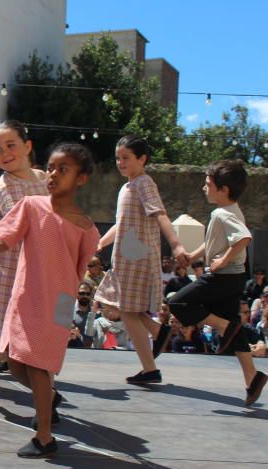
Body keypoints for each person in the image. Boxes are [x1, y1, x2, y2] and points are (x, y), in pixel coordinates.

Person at [0, 142, 100, 457]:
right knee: (17, 366)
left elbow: (79, 268)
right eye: (52, 167)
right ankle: (47, 398)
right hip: (25, 298)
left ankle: (44, 436)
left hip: (57, 304)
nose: (54, 174)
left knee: (40, 367)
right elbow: (5, 238)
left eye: (64, 169)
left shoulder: (88, 228)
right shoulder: (31, 205)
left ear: (81, 178)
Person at [158, 160, 266, 407]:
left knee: (177, 301)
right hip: (234, 278)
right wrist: (193, 257)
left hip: (222, 276)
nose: (204, 188)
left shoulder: (221, 213)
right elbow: (215, 241)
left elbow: (244, 238)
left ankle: (222, 326)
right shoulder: (231, 211)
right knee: (235, 330)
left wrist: (220, 262)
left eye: (208, 184)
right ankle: (253, 378)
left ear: (224, 189)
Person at [93, 135, 189, 384]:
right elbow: (121, 224)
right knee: (128, 312)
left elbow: (160, 214)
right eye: (118, 158)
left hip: (136, 259)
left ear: (142, 159)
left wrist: (176, 244)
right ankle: (152, 358)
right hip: (126, 259)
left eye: (126, 157)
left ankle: (153, 355)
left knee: (127, 311)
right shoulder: (126, 187)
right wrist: (103, 241)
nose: (120, 162)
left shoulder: (144, 183)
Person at [0, 120, 48, 393]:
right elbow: (18, 230)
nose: (4, 153)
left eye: (10, 145)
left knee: (34, 334)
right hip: (8, 271)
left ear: (27, 146)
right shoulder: (5, 187)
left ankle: (44, 391)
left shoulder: (44, 180)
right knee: (3, 340)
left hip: (40, 271)